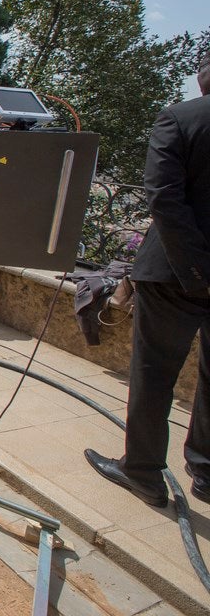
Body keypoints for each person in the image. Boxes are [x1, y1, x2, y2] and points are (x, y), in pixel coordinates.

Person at [85, 53, 210, 507]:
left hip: (176, 273)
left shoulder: (179, 118)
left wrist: (197, 272)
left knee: (154, 373)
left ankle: (142, 472)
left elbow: (164, 198)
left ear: (201, 79)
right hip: (190, 272)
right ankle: (206, 472)